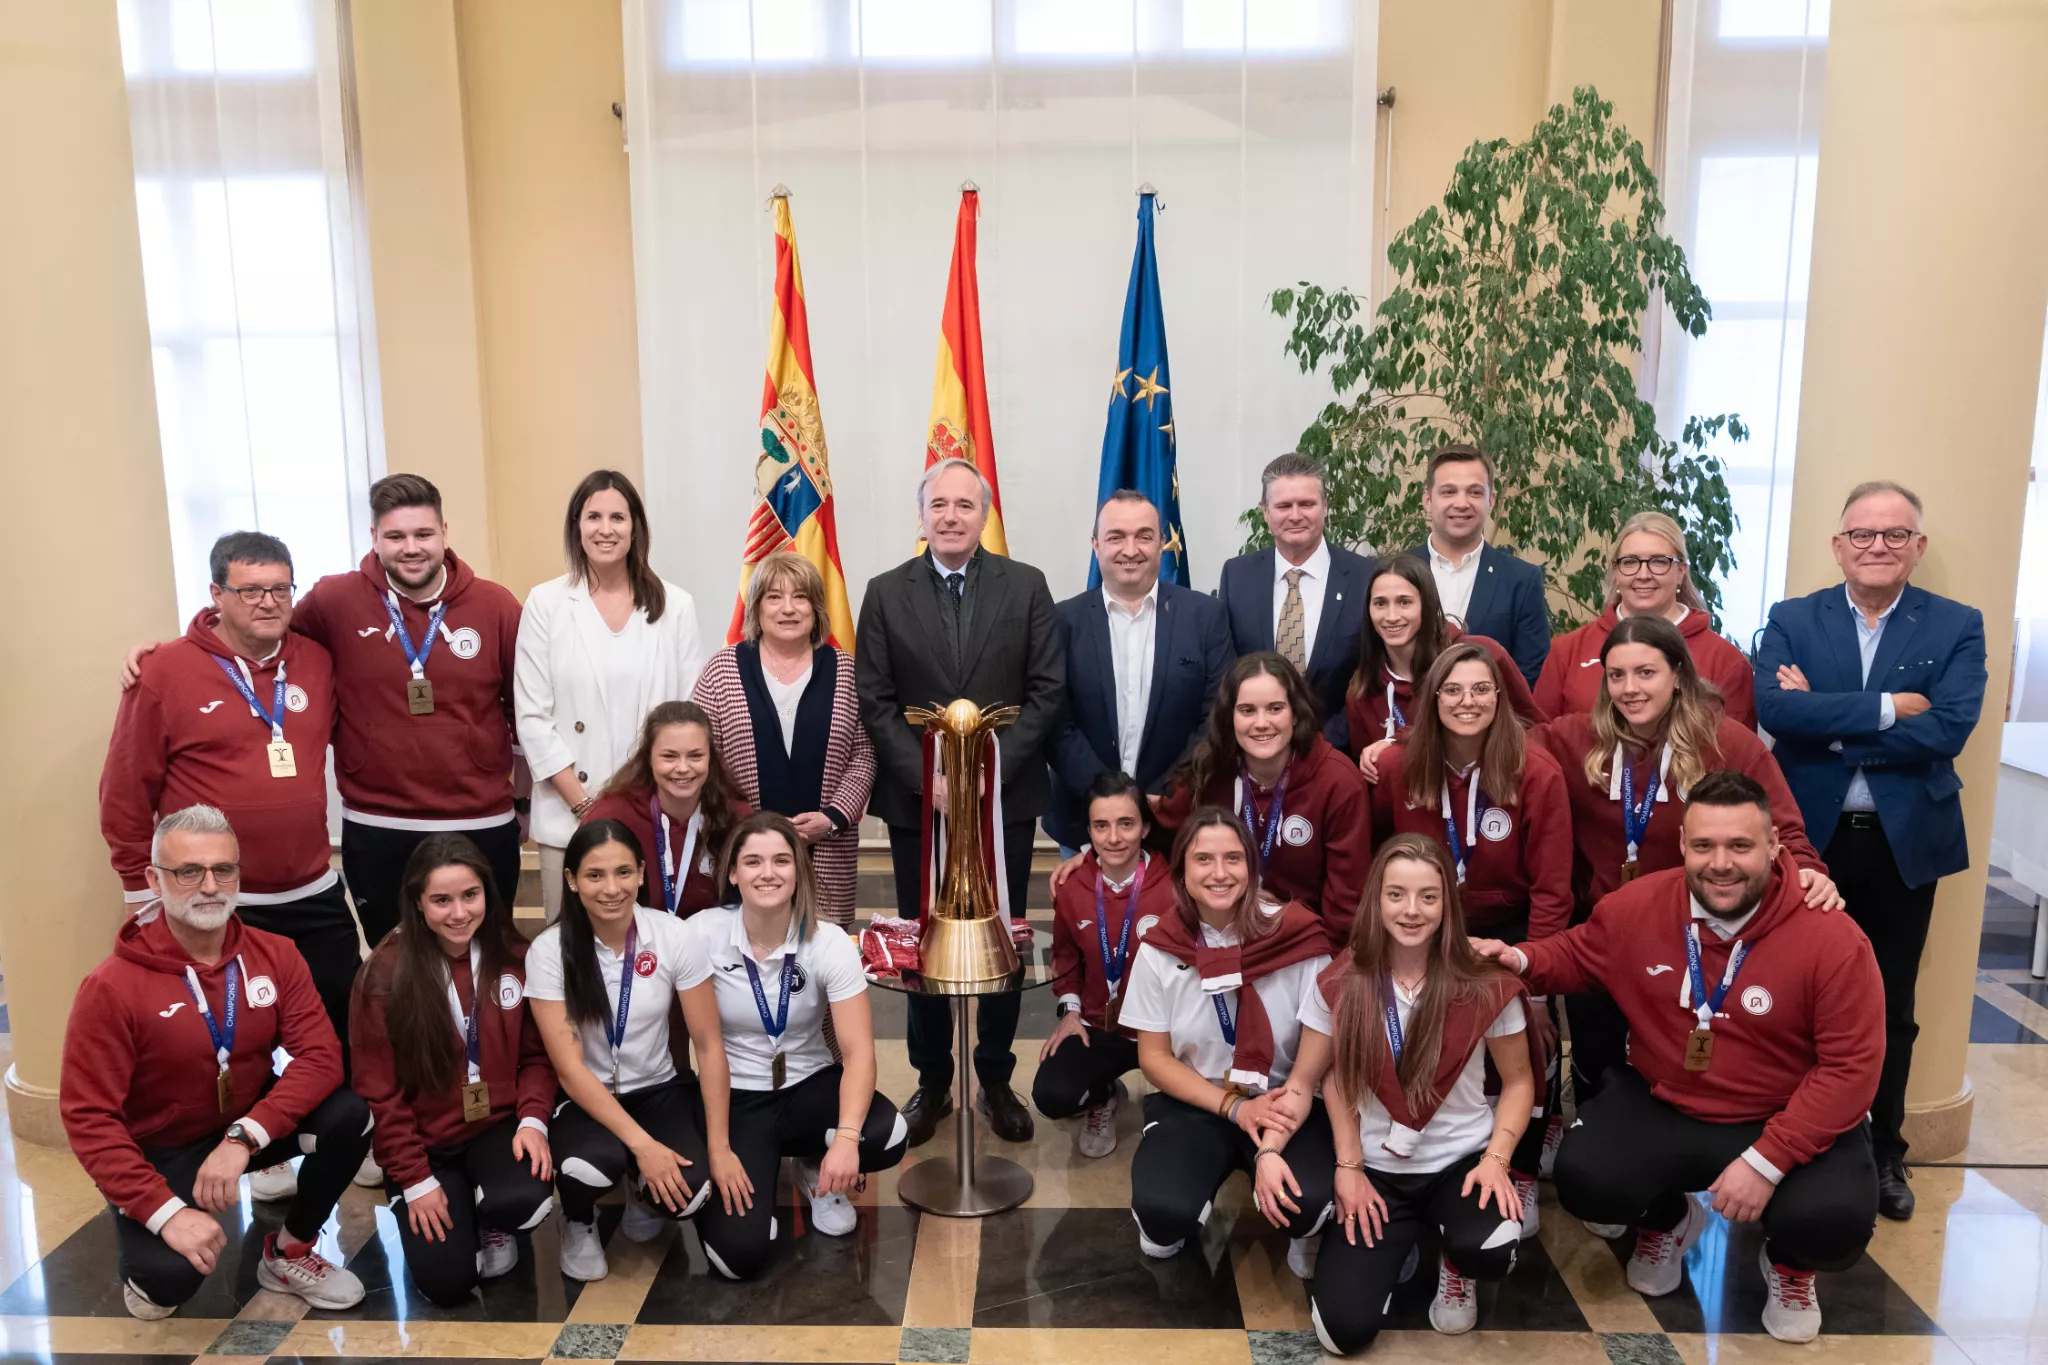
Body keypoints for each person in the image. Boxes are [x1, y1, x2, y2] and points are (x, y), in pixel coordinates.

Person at [1476, 771, 1885, 1343]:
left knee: (1834, 1219)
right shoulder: (1640, 903)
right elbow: (1580, 952)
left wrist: (1767, 1161)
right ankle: (1668, 1219)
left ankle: (1791, 1265)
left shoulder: (1834, 940)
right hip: (1668, 1099)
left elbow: (1851, 1071)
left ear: (1773, 847)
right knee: (1586, 1178)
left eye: (1741, 846)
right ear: (1683, 847)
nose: (1721, 863)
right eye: (1704, 846)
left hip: (1783, 1113)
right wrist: (1519, 959)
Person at [117, 474, 528, 950]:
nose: (410, 547)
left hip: (480, 820)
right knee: (393, 972)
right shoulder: (336, 601)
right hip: (378, 824)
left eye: (423, 534)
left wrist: (522, 801)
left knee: (491, 956)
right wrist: (172, 650)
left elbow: (525, 707)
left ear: (445, 534)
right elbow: (252, 632)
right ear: (374, 538)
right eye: (395, 536)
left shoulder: (496, 606)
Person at [1755, 480, 1988, 1221]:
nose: (1877, 547)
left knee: (1889, 1004)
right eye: (1863, 534)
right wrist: (1889, 711)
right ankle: (1789, 1139)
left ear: (1917, 547)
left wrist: (1826, 722)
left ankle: (1883, 1151)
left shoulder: (1956, 625)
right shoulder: (1794, 618)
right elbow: (1777, 712)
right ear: (1838, 544)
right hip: (1806, 840)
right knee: (1791, 994)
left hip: (1901, 843)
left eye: (1894, 535)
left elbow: (1948, 730)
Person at [61, 806, 370, 1320]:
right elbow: (88, 1118)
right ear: (153, 881)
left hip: (241, 1128)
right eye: (188, 871)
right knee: (167, 1284)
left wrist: (245, 1136)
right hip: (162, 1146)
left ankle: (289, 1251)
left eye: (223, 870)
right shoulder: (110, 987)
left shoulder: (276, 953)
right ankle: (136, 1211)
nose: (209, 885)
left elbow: (320, 1057)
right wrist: (166, 1214)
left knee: (352, 1115)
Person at [1534, 615, 1837, 1132]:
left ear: (1677, 673)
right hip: (1605, 931)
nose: (1630, 689)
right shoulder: (1577, 739)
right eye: (1616, 675)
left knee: (1675, 1055)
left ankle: (1677, 1163)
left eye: (1645, 673)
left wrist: (1810, 871)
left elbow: (1783, 827)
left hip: (1695, 936)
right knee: (1594, 1052)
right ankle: (1599, 1152)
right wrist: (1397, 747)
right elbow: (1495, 744)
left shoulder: (1728, 744)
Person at [855, 456, 1063, 1147]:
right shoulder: (885, 593)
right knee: (927, 937)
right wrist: (930, 781)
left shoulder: (1028, 586)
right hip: (922, 802)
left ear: (984, 514)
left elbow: (1046, 691)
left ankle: (996, 1077)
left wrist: (990, 776)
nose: (950, 515)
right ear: (923, 515)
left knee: (1001, 933)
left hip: (1003, 796)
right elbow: (874, 698)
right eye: (938, 504)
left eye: (964, 505)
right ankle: (934, 1080)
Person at [100, 533, 358, 1050]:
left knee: (337, 1030)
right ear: (216, 594)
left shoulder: (317, 660)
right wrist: (141, 893)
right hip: (216, 899)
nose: (268, 602)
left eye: (280, 589)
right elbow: (126, 790)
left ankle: (330, 1131)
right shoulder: (163, 671)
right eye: (250, 590)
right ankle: (257, 1132)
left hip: (312, 892)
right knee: (234, 1042)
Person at [1288, 835, 1536, 1350]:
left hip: (1459, 1161)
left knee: (1490, 1251)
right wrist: (1349, 1166)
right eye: (1396, 894)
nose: (1412, 910)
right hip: (1378, 1171)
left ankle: (1454, 1259)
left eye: (1429, 896)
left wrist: (1497, 1158)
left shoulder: (1484, 982)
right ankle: (1397, 1244)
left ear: (1448, 904)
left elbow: (1518, 1082)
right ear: (1376, 899)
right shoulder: (1341, 979)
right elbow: (1328, 1079)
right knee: (1341, 1335)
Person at [1368, 641, 1571, 1221]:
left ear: (1501, 697)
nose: (1467, 701)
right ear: (1431, 699)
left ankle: (1521, 1166)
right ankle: (1426, 1163)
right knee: (1441, 1047)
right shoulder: (1398, 767)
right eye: (1452, 689)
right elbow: (1381, 854)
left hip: (1508, 931)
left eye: (1481, 689)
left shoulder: (1536, 771)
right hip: (1423, 928)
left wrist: (1535, 981)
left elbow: (1553, 890)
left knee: (1528, 1049)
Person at [687, 813, 908, 1279]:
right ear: (732, 873)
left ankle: (816, 1170)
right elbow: (700, 1048)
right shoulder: (701, 935)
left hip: (809, 1085)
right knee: (737, 1260)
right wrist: (719, 1148)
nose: (768, 873)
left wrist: (847, 1140)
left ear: (799, 871)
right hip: (739, 1098)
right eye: (753, 862)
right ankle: (761, 1174)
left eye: (781, 861)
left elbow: (859, 1053)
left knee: (887, 1135)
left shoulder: (828, 942)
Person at [1118, 808, 1336, 1266]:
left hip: (1284, 1102)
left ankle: (1304, 1223)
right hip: (1201, 1098)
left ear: (1252, 868)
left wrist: (1271, 1135)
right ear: (1182, 872)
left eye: (1234, 859)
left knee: (1307, 1206)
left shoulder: (1296, 936)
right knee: (1163, 1218)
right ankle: (1182, 1200)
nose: (1220, 873)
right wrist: (1235, 1109)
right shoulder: (1162, 947)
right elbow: (1154, 1058)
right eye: (1204, 860)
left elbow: (1317, 1056)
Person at [348, 835, 557, 1306]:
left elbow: (539, 1056)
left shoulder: (514, 955)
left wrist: (533, 1120)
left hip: (497, 1128)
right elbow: (379, 1093)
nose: (459, 913)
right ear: (418, 904)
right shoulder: (385, 974)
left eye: (470, 895)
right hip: (427, 1145)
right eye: (441, 900)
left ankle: (491, 1215)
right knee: (447, 1283)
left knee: (522, 1199)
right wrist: (416, 1180)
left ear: (488, 892)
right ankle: (439, 1205)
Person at [525, 820, 725, 1282]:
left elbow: (709, 1046)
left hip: (656, 1088)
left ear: (640, 874)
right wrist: (645, 1146)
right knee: (588, 1168)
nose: (611, 889)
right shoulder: (549, 951)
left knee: (691, 1192)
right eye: (595, 875)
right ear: (572, 880)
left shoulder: (674, 935)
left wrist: (718, 1146)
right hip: (584, 1096)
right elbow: (571, 1072)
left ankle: (640, 1185)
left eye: (623, 873)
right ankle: (578, 1219)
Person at [517, 470, 706, 922]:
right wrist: (586, 806)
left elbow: (688, 716)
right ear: (576, 526)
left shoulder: (675, 605)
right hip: (569, 815)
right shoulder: (545, 604)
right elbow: (532, 718)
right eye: (593, 516)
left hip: (655, 813)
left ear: (636, 526)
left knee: (654, 955)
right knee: (573, 955)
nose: (606, 529)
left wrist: (645, 804)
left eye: (618, 517)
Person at [1135, 653, 1372, 950]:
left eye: (1275, 709)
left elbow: (1346, 902)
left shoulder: (1338, 782)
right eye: (1247, 710)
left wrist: (1324, 973)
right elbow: (1152, 835)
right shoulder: (1208, 771)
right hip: (1217, 938)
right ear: (1229, 716)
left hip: (1302, 947)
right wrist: (1091, 860)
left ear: (1296, 713)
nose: (1261, 723)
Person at [692, 550, 875, 927]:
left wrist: (833, 817)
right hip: (743, 852)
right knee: (744, 965)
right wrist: (748, 826)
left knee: (821, 967)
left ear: (817, 608)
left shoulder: (846, 670)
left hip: (826, 851)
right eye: (774, 597)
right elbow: (701, 758)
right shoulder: (722, 670)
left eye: (801, 596)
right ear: (756, 608)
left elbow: (865, 753)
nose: (788, 608)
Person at [1046, 490, 1234, 852]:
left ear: (1162, 543)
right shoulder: (1061, 621)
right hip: (1084, 820)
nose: (1130, 549)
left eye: (1144, 536)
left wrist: (1168, 790)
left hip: (1176, 816)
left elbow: (1216, 717)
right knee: (1087, 910)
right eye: (1116, 537)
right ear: (1096, 545)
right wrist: (1110, 800)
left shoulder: (1206, 617)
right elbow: (1055, 723)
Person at [1035, 772, 1177, 1157]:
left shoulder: (1176, 889)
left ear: (1145, 828)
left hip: (1161, 1030)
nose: (1113, 838)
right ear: (1089, 832)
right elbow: (1064, 957)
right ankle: (1102, 1094)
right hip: (1097, 1024)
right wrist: (1069, 1012)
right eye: (1102, 825)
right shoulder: (1071, 887)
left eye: (1126, 824)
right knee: (1051, 1096)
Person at [1533, 511, 1757, 729]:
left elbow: (1737, 756)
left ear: (1680, 572)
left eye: (1658, 562)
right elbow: (1540, 744)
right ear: (1616, 572)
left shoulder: (1726, 661)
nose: (1643, 574)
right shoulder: (1568, 651)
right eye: (1630, 562)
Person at [1219, 453, 1377, 749]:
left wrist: (1321, 747)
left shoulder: (1365, 577)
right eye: (1283, 506)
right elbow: (1228, 671)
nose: (1295, 515)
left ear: (1325, 507)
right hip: (1255, 752)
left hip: (1337, 755)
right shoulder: (1237, 575)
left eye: (1306, 504)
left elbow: (1371, 675)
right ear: (1265, 512)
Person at [1344, 553, 1544, 782]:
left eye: (1404, 602)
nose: (1391, 616)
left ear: (1427, 604)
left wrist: (1398, 741)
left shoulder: (1482, 658)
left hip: (1490, 800)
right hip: (1412, 810)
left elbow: (1533, 731)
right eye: (1380, 603)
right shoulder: (1362, 690)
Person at [585, 701, 750, 916]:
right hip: (634, 945)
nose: (683, 768)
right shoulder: (612, 817)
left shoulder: (736, 818)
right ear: (649, 759)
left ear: (711, 758)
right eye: (669, 756)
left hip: (710, 946)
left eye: (695, 756)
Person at [1406, 443, 1552, 688]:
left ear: (1490, 500)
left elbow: (1530, 676)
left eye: (1474, 492)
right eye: (1449, 492)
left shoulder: (1522, 580)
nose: (1461, 503)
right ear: (1427, 499)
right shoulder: (1394, 574)